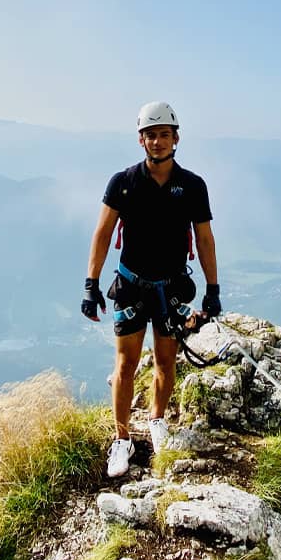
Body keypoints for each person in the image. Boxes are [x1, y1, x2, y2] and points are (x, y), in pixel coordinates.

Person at [81, 101, 221, 478]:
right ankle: (122, 438)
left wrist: (212, 289)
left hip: (171, 288)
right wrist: (91, 284)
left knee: (165, 361)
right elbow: (103, 233)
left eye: (164, 134)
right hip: (131, 285)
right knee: (125, 364)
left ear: (176, 138)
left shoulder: (192, 186)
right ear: (140, 140)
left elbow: (204, 239)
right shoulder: (123, 183)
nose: (157, 141)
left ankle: (157, 420)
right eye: (150, 135)